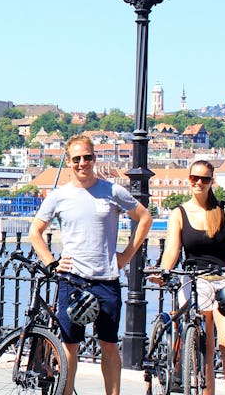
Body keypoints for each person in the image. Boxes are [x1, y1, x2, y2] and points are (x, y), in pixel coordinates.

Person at [29, 134, 153, 395]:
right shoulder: (59, 196)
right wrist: (51, 263)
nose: (82, 163)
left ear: (94, 158)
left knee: (108, 344)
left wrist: (126, 256)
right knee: (69, 346)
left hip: (106, 279)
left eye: (87, 157)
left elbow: (144, 218)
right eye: (77, 159)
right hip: (72, 280)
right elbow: (35, 232)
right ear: (69, 161)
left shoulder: (112, 191)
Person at [153, 160, 225, 395]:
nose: (199, 183)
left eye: (204, 179)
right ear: (188, 180)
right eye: (194, 178)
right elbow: (172, 251)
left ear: (211, 182)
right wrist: (163, 272)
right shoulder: (179, 213)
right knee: (204, 348)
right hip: (195, 280)